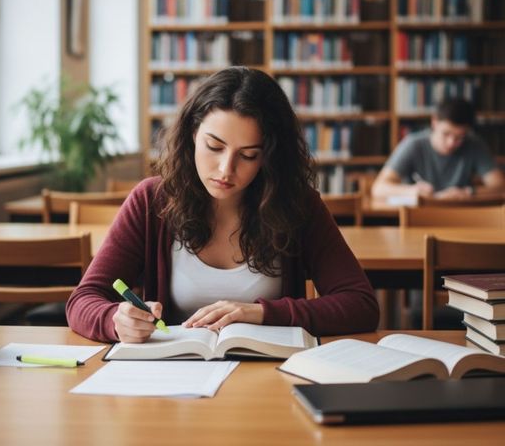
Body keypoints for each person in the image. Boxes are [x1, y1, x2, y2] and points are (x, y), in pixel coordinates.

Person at [66, 67, 379, 343]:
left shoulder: (298, 205)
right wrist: (114, 320)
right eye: (214, 146)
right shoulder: (151, 200)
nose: (226, 169)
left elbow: (361, 305)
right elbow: (82, 301)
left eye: (248, 155)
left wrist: (259, 313)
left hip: (270, 383)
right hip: (171, 382)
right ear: (192, 135)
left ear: (269, 156)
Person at [372, 98, 505, 201]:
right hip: (418, 217)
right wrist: (411, 190)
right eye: (446, 134)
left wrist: (468, 192)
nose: (451, 142)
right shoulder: (413, 144)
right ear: (434, 122)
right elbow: (378, 188)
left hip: (459, 217)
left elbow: (500, 186)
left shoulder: (474, 144)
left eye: (460, 137)